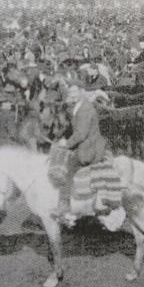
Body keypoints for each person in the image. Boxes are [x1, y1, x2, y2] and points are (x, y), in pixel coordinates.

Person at [52, 85, 106, 219]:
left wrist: (66, 144)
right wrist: (59, 136)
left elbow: (80, 134)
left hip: (89, 148)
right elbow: (72, 128)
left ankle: (64, 204)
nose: (72, 96)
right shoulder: (78, 107)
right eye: (70, 94)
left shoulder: (85, 110)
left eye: (75, 94)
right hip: (85, 144)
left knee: (66, 168)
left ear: (81, 94)